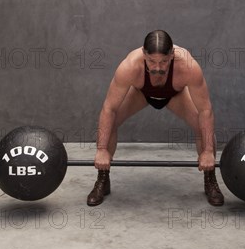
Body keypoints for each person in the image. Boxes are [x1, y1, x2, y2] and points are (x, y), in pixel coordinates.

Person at [87, 30, 224, 207]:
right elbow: (109, 108)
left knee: (200, 124)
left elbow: (205, 110)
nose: (158, 67)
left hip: (175, 95)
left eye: (164, 62)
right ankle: (102, 179)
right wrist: (102, 149)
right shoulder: (129, 66)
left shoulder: (189, 66)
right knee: (111, 122)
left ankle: (210, 178)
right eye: (152, 61)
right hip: (141, 93)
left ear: (172, 55)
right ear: (144, 53)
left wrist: (207, 152)